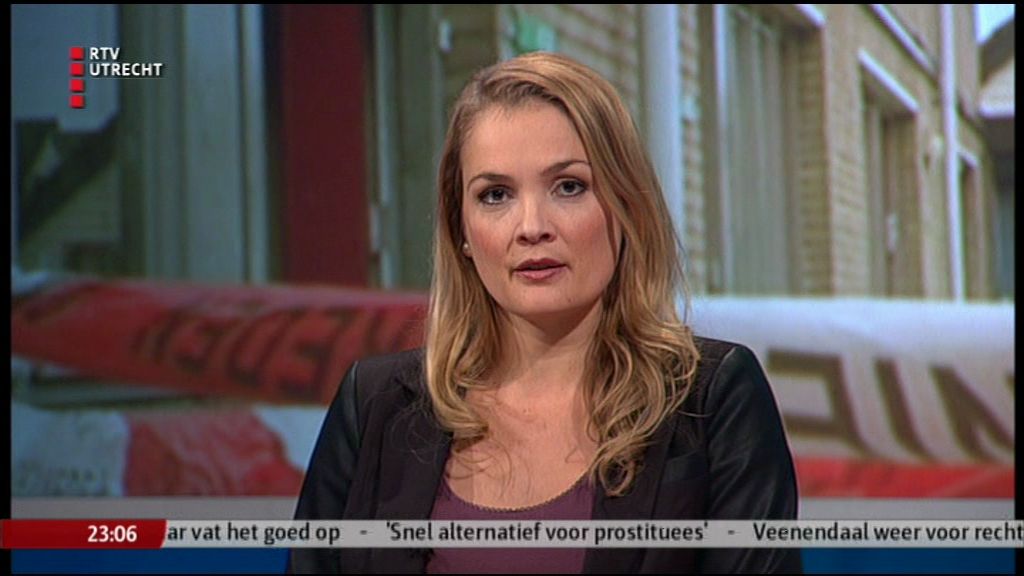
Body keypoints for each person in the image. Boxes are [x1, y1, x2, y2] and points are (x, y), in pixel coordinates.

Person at [289, 51, 800, 574]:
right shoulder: (373, 404)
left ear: (626, 206)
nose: (532, 226)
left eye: (569, 187)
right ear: (461, 230)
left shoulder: (713, 400)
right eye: (495, 195)